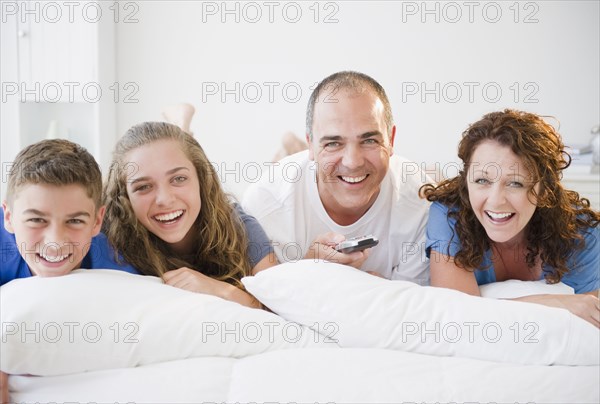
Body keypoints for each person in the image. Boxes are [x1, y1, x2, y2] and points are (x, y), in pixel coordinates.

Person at [242, 71, 431, 283]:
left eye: (369, 140)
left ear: (391, 140)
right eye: (333, 143)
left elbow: (407, 308)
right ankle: (287, 150)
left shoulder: (423, 203)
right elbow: (262, 305)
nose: (353, 161)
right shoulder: (264, 206)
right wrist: (307, 269)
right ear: (311, 146)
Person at [421, 109, 600, 328]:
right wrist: (555, 303)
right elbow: (458, 317)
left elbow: (587, 321)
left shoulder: (581, 233)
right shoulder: (449, 216)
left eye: (515, 183)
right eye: (481, 181)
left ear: (543, 190)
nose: (496, 201)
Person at [0, 139, 139, 402]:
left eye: (75, 221)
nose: (55, 241)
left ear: (97, 220)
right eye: (36, 220)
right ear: (8, 217)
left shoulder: (118, 264)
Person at [103, 122, 276, 309]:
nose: (164, 199)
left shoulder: (240, 225)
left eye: (179, 179)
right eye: (143, 187)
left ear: (201, 179)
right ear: (125, 196)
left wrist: (221, 290)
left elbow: (278, 307)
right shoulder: (111, 231)